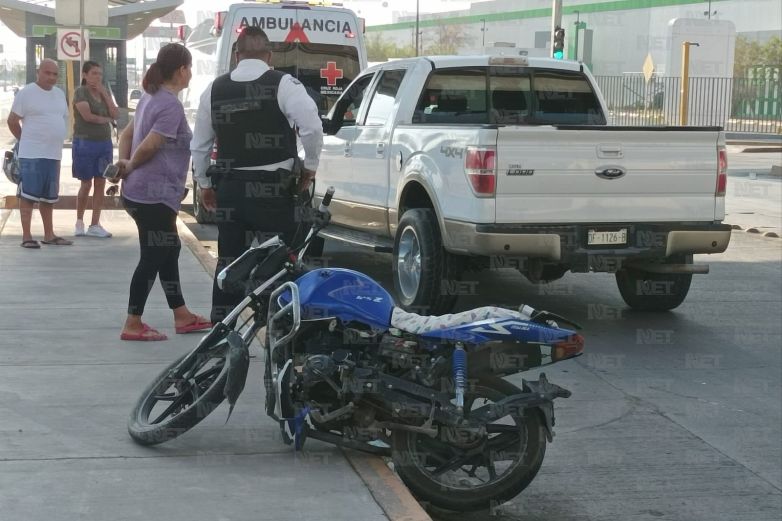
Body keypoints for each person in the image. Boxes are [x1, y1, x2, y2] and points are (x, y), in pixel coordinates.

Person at [191, 26, 323, 324]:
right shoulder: (284, 84)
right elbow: (312, 127)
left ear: (236, 55)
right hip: (273, 192)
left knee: (229, 261)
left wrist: (203, 184)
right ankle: (279, 327)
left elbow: (199, 145)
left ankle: (221, 332)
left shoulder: (214, 89)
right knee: (282, 261)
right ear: (269, 55)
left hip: (230, 190)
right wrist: (310, 166)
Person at [115, 43, 211, 341]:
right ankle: (133, 322)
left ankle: (181, 315)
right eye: (190, 68)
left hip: (142, 193)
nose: (191, 73)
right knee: (155, 255)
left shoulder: (149, 97)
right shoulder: (170, 104)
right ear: (182, 70)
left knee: (169, 249)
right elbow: (152, 143)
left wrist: (123, 163)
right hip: (153, 195)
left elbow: (127, 134)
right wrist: (129, 165)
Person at [6, 59, 72, 248]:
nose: (51, 77)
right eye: (47, 73)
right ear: (38, 72)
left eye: (54, 74)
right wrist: (24, 140)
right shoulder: (26, 93)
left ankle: (49, 235)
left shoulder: (59, 94)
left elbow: (63, 118)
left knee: (48, 197)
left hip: (54, 155)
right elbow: (12, 121)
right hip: (31, 155)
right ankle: (26, 236)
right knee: (28, 196)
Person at [72, 60, 118, 238]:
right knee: (86, 183)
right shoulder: (80, 92)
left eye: (100, 74)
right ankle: (79, 221)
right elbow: (87, 116)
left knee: (101, 182)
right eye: (93, 73)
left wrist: (105, 94)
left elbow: (115, 114)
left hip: (104, 143)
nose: (97, 77)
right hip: (85, 143)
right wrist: (106, 119)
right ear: (84, 75)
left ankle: (95, 224)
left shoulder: (102, 92)